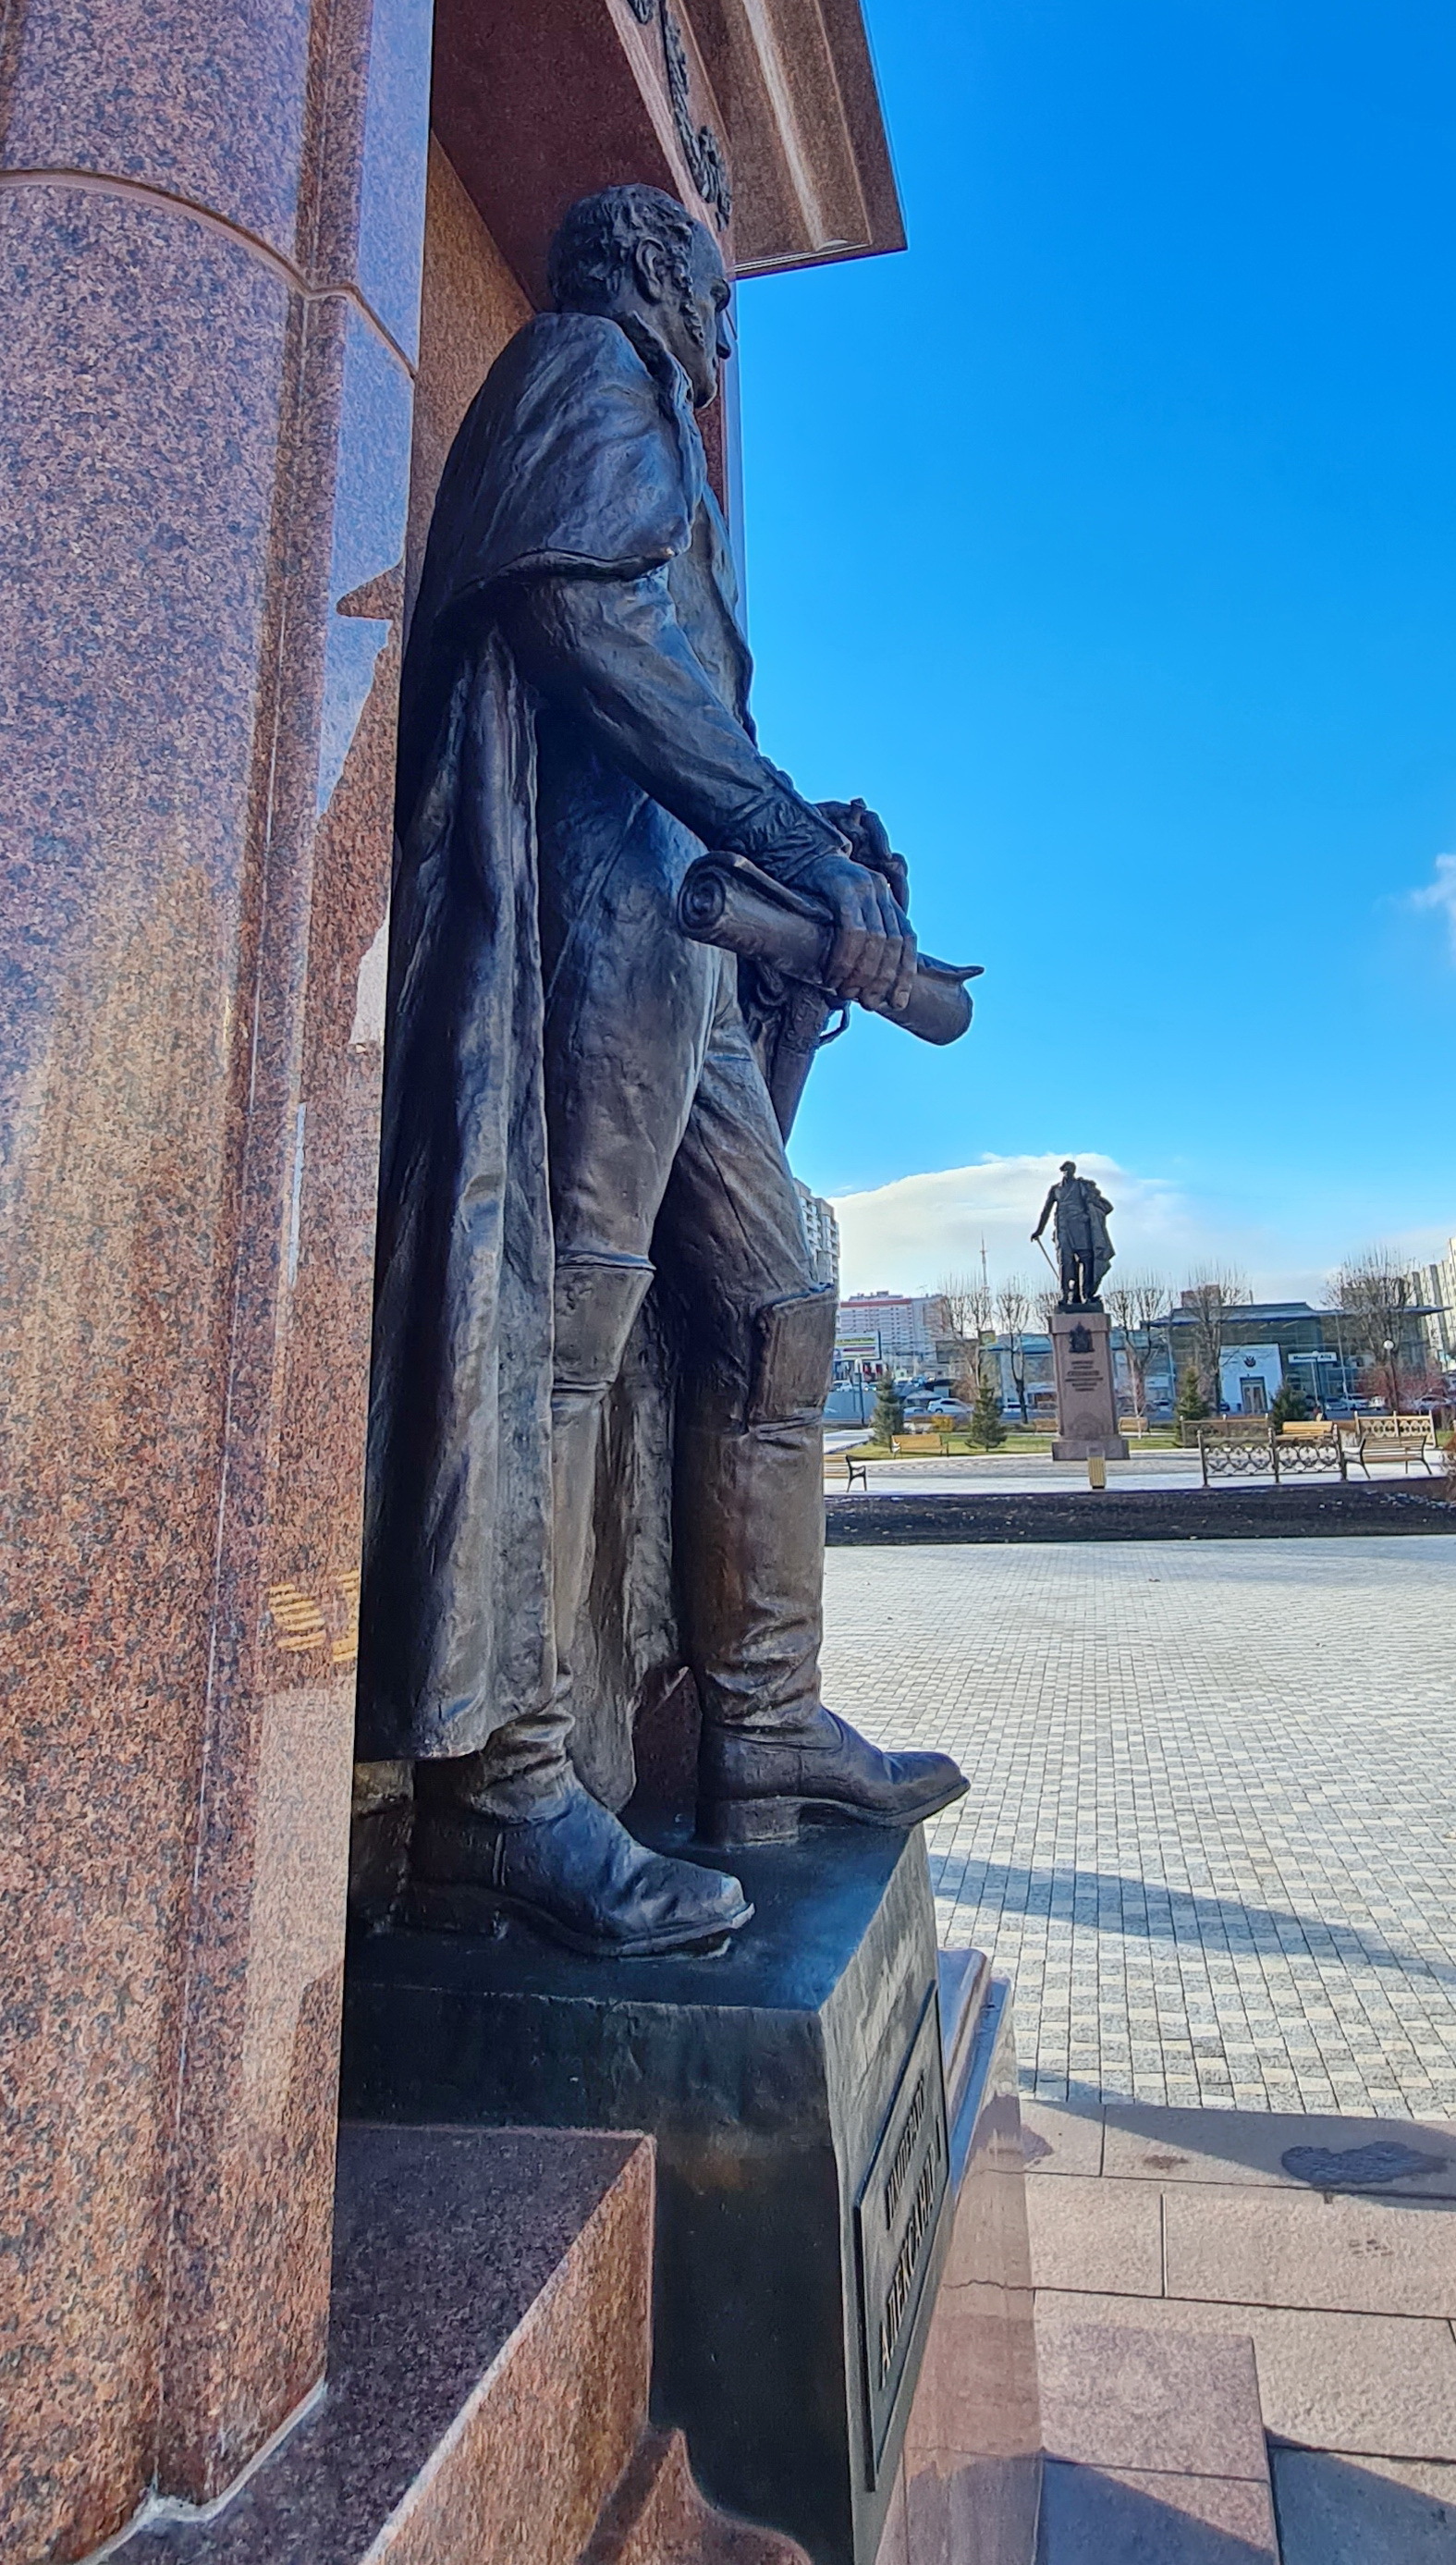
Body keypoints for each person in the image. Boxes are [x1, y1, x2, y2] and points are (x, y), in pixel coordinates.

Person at [357, 182, 966, 1956]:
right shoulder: (578, 363)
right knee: (571, 1326)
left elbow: (691, 685)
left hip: (689, 940)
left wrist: (813, 866)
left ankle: (763, 1730)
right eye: (712, 303)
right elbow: (585, 628)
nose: (715, 343)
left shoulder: (663, 451)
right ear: (665, 287)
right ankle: (510, 1787)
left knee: (782, 1291)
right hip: (591, 921)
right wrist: (784, 831)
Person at [1032, 1161, 1115, 1308]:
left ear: (1074, 1171)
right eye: (1065, 1170)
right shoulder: (1055, 1189)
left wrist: (1091, 1203)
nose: (1067, 1173)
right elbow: (1046, 1210)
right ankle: (1068, 1295)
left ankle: (1088, 1294)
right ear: (1062, 1172)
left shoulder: (1082, 1186)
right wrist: (1039, 1230)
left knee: (1087, 1261)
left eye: (1070, 1170)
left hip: (1081, 1229)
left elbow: (1100, 1205)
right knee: (1066, 1263)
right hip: (1063, 1230)